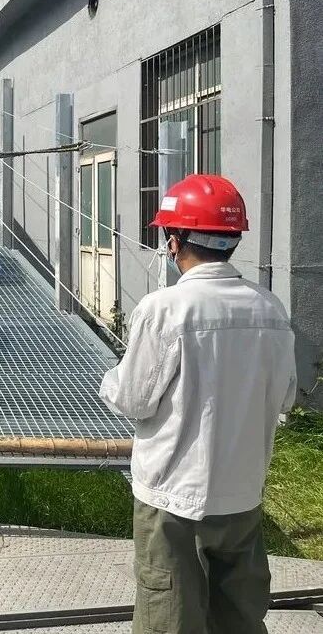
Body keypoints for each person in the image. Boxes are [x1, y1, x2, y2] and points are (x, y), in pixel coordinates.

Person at [98, 174, 298, 634]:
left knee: (169, 620)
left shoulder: (165, 309)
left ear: (175, 240)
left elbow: (134, 400)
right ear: (233, 240)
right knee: (239, 619)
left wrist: (110, 380)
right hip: (242, 496)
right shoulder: (270, 308)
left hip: (173, 500)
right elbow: (285, 396)